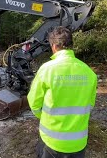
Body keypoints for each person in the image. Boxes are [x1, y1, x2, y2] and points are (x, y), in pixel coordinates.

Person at [27, 26, 97, 158]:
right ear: (71, 45)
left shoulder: (47, 69)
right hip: (78, 143)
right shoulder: (89, 72)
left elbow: (34, 103)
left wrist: (44, 117)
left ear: (53, 46)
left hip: (52, 141)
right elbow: (90, 105)